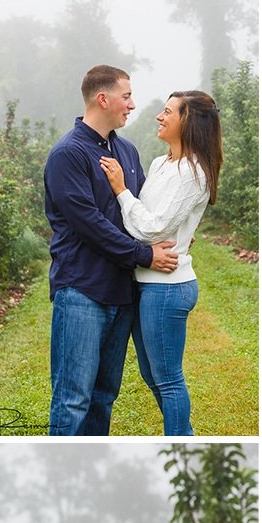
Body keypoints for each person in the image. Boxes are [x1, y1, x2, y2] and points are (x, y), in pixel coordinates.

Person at [44, 64, 179, 436]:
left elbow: (145, 211)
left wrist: (175, 234)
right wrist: (144, 255)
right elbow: (89, 225)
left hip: (122, 293)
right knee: (73, 400)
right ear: (103, 99)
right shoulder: (67, 155)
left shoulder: (128, 152)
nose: (133, 105)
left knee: (104, 397)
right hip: (82, 292)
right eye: (127, 96)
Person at [99, 90, 223, 436]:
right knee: (152, 375)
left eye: (168, 111)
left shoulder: (194, 173)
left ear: (188, 122)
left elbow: (152, 227)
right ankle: (184, 434)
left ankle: (182, 443)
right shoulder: (159, 163)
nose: (159, 116)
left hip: (167, 287)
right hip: (147, 281)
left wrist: (122, 190)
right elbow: (146, 224)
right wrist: (163, 231)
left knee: (167, 379)